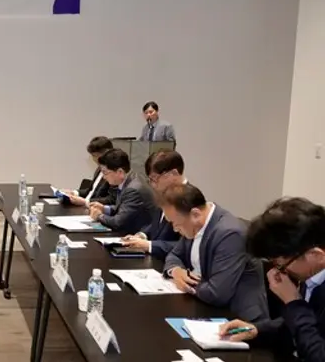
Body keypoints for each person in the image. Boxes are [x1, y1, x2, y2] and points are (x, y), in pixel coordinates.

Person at [219, 198, 325, 361]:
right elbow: (306, 322)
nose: (278, 271)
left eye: (281, 265)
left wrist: (293, 302)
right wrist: (257, 330)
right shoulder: (311, 275)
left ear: (316, 255)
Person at [162, 183, 268, 323]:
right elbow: (174, 255)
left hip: (239, 319)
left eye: (176, 223)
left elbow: (217, 293)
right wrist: (176, 271)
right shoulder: (193, 224)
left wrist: (185, 282)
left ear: (195, 214)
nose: (175, 229)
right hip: (205, 306)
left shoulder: (230, 234)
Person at [121, 150, 184, 259]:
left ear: (174, 173)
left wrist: (149, 245)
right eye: (150, 180)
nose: (153, 185)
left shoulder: (189, 199)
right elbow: (157, 224)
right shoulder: (164, 193)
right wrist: (141, 235)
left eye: (155, 179)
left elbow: (186, 246)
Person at [88, 149, 157, 234]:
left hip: (138, 234)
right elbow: (123, 208)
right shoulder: (130, 179)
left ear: (120, 172)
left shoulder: (133, 189)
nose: (104, 178)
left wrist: (99, 216)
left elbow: (118, 222)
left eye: (105, 173)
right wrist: (104, 208)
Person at [58, 136, 114, 206]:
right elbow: (90, 191)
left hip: (95, 208)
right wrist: (73, 192)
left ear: (107, 153)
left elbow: (111, 200)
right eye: (93, 156)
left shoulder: (113, 173)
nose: (94, 159)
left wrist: (85, 201)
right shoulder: (99, 169)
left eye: (96, 155)